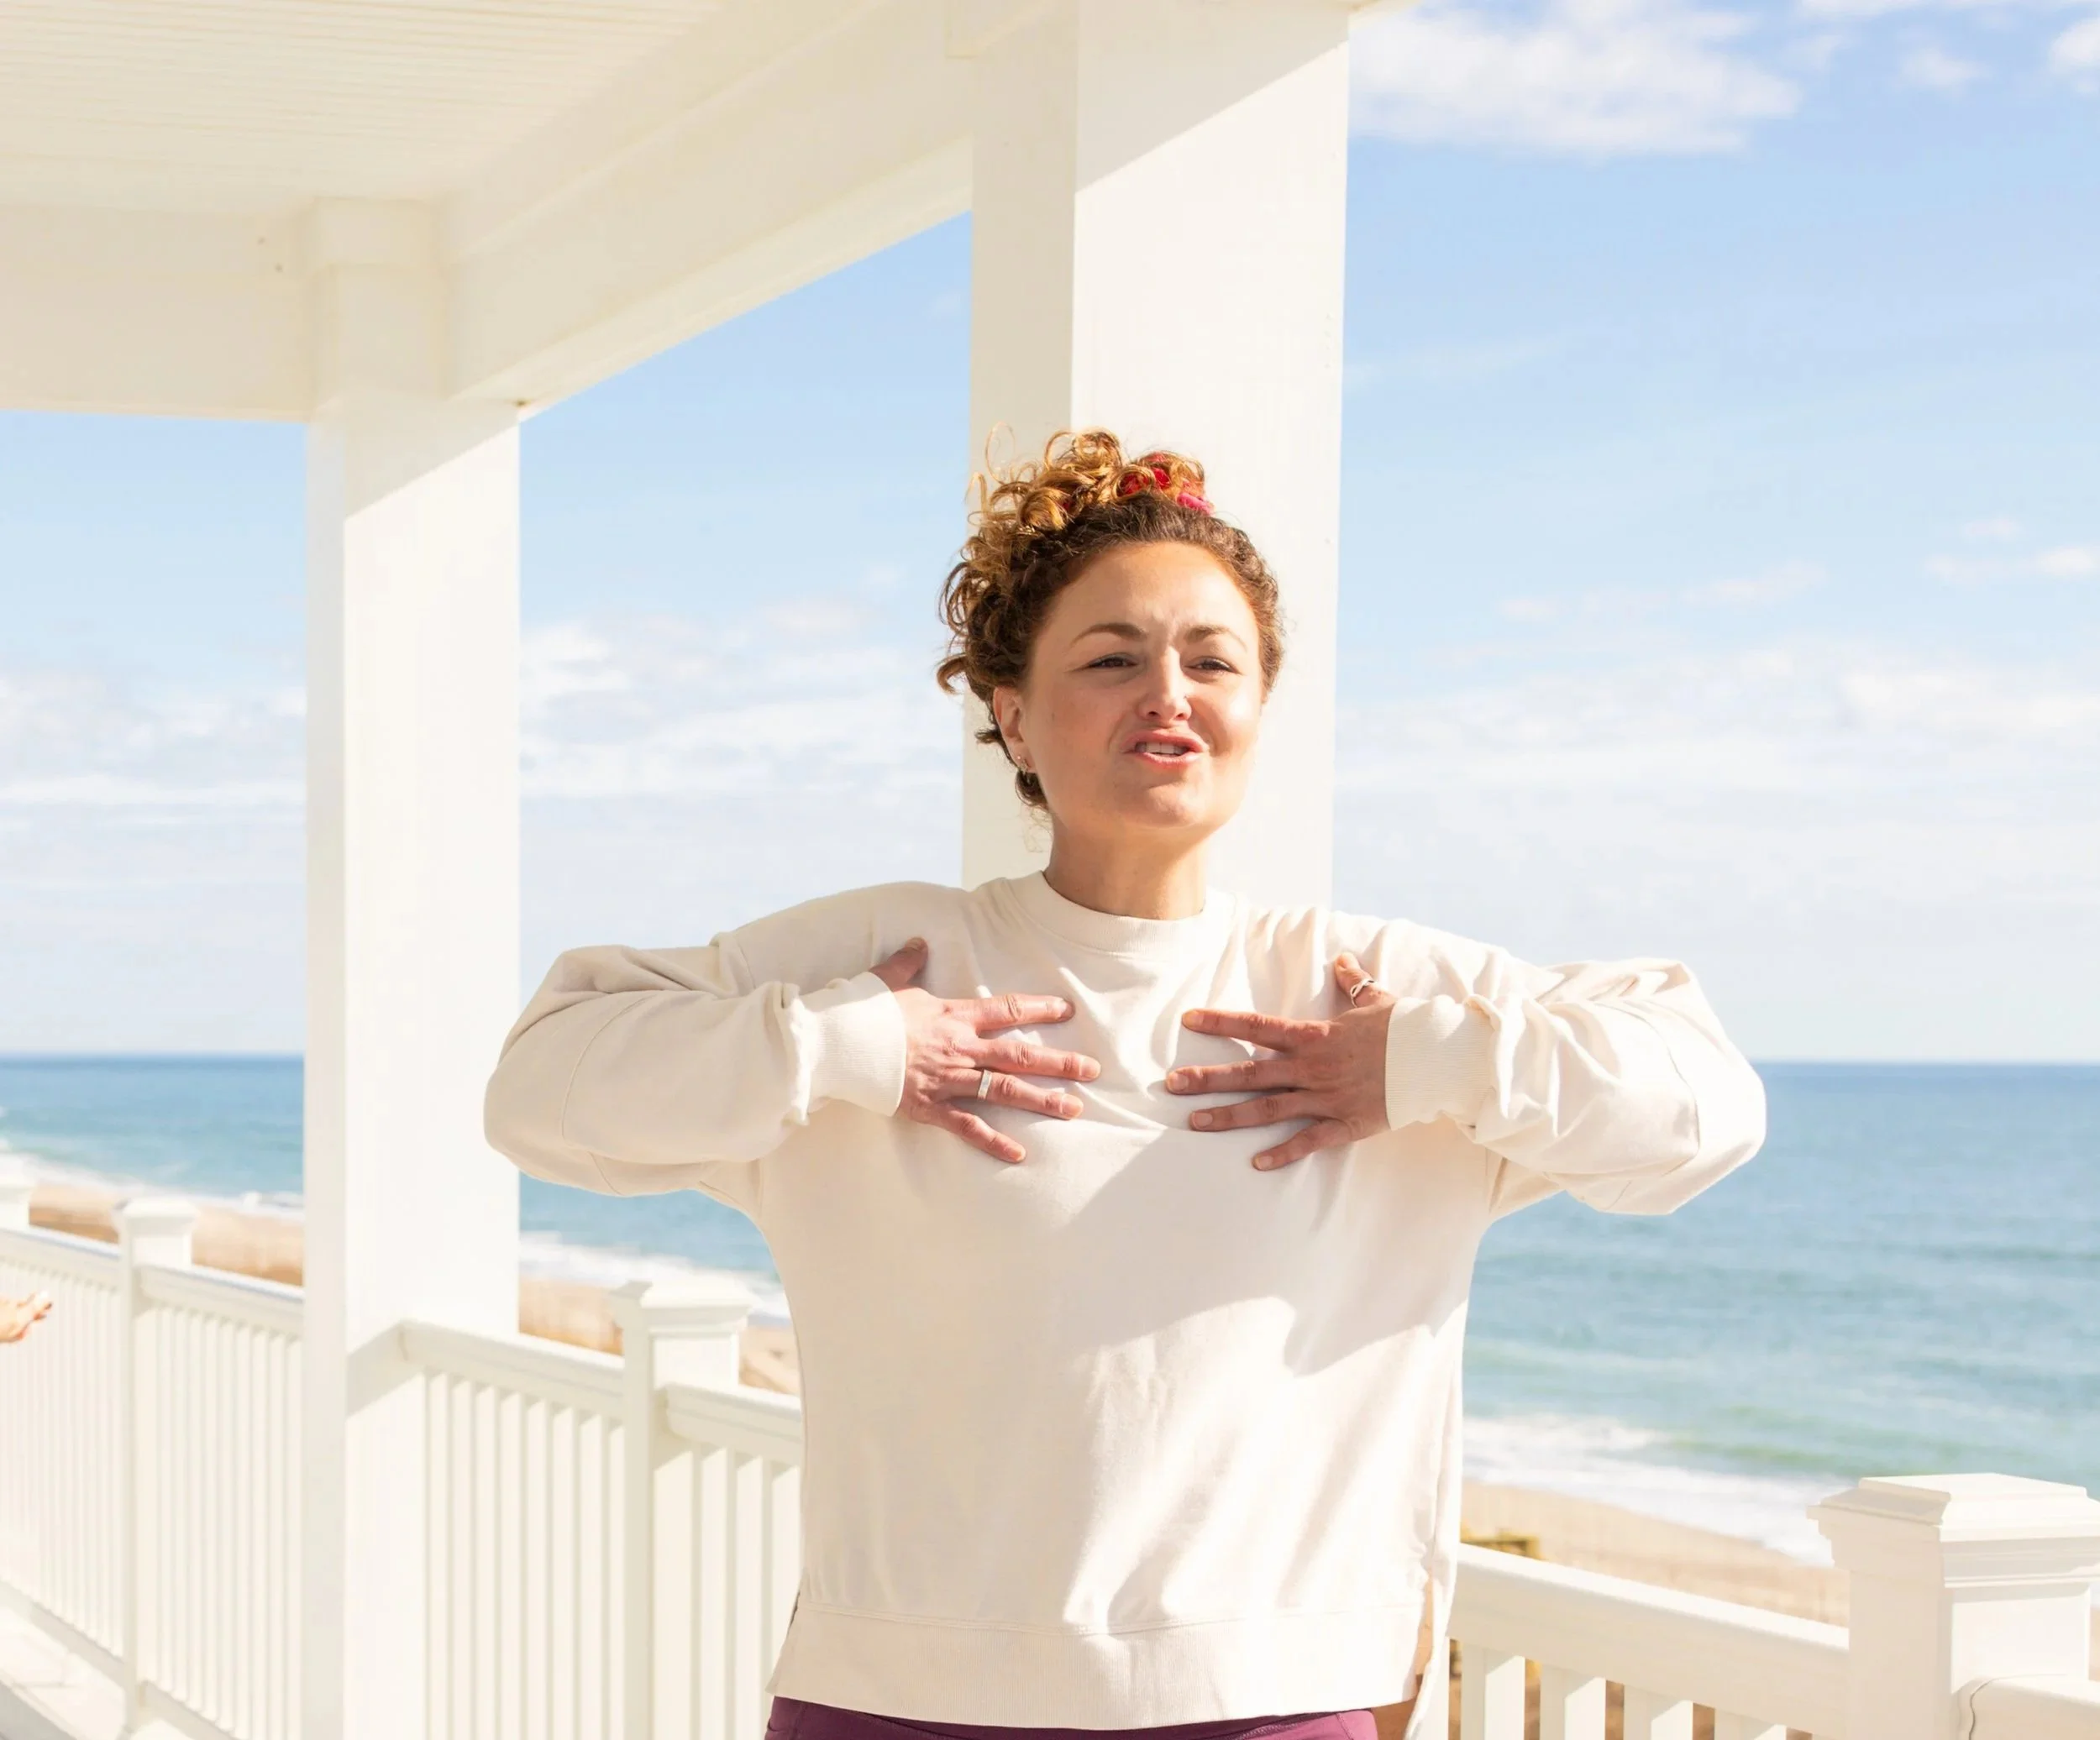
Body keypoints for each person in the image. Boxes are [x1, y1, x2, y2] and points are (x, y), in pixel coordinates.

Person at [484, 430, 1766, 1740]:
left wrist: (1426, 1061)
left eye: (1215, 660)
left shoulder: (1362, 986)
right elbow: (537, 1087)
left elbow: (1706, 1111)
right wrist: (856, 1047)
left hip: (1276, 1706)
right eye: (1112, 658)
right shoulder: (888, 962)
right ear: (1015, 717)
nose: (1170, 692)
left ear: (1261, 705)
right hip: (899, 1700)